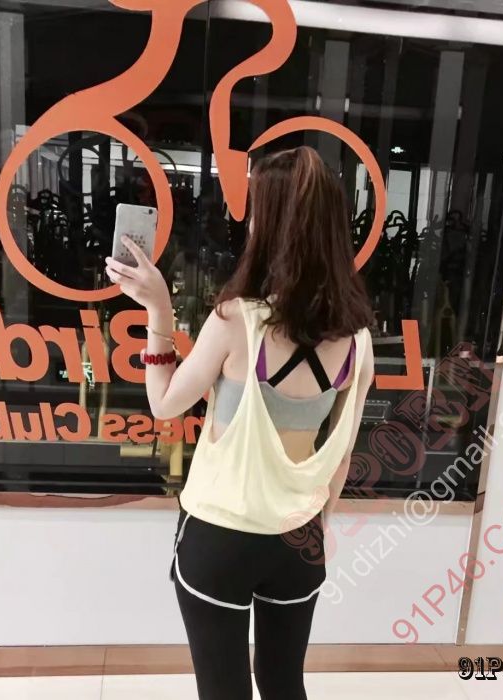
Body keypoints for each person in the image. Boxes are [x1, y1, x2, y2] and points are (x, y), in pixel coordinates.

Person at [105, 145, 375, 700]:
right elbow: (341, 455)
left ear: (272, 226)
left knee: (223, 691)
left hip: (220, 537)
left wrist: (158, 311)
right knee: (283, 683)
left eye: (255, 211)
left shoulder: (237, 321)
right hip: (299, 540)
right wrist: (314, 527)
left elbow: (164, 403)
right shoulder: (358, 341)